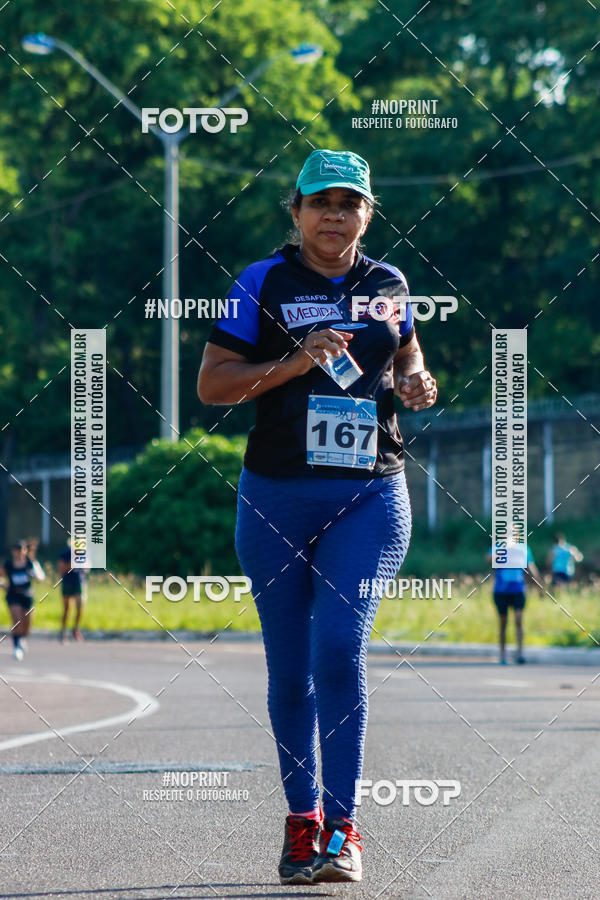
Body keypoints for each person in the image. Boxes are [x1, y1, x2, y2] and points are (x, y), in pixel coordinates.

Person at [197, 149, 437, 885]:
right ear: (296, 211)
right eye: (321, 202)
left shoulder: (390, 284)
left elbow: (405, 357)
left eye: (349, 203)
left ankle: (343, 828)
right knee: (290, 668)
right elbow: (212, 385)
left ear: (368, 213)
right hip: (276, 496)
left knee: (338, 646)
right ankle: (302, 823)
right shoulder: (260, 282)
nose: (335, 215)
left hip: (369, 493)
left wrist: (416, 380)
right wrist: (296, 363)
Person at [487, 534, 542, 665]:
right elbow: (489, 559)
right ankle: (503, 654)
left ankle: (520, 653)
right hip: (501, 591)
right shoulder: (497, 547)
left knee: (518, 619)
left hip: (518, 590)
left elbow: (530, 567)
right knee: (503, 623)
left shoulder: (523, 548)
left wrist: (539, 585)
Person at [1, 539, 45, 660]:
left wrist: (35, 575)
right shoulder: (9, 564)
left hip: (27, 596)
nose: (18, 552)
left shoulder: (30, 563)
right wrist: (3, 585)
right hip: (13, 595)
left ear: (25, 551)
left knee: (27, 625)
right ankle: (17, 645)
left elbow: (41, 577)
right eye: (16, 550)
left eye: (20, 550)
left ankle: (22, 638)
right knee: (16, 620)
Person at [57, 539, 88, 642]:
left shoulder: (83, 553)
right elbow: (61, 569)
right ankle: (63, 631)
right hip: (68, 582)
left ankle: (75, 628)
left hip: (79, 582)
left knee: (80, 607)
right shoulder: (65, 553)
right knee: (67, 609)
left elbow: (87, 568)